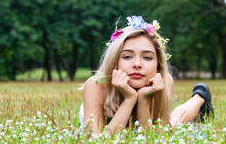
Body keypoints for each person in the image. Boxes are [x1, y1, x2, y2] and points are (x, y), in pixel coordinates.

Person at [80, 16, 213, 133]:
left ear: (158, 65)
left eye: (147, 58)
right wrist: (129, 99)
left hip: (149, 117)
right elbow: (94, 143)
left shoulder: (163, 80)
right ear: (115, 61)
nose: (137, 64)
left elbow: (154, 140)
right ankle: (199, 97)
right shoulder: (97, 85)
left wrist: (143, 99)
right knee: (175, 121)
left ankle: (200, 97)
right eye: (127, 56)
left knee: (174, 124)